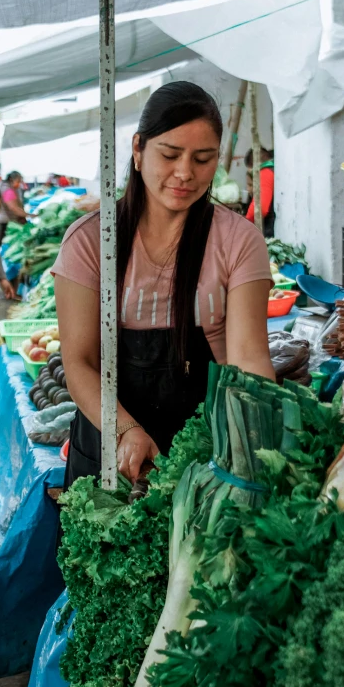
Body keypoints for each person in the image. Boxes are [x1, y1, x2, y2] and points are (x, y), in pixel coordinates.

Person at [53, 82, 275, 488]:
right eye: (170, 155)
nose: (185, 173)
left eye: (203, 159)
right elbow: (79, 362)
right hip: (108, 445)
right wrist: (124, 429)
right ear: (138, 150)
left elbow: (249, 359)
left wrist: (260, 436)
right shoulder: (90, 242)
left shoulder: (238, 241)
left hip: (209, 451)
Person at [244, 146, 275, 238]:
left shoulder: (266, 172)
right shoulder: (276, 168)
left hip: (269, 229)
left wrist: (244, 226)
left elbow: (260, 207)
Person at [0, 171, 27, 246]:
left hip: (5, 220)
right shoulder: (7, 189)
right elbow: (13, 207)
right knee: (1, 243)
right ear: (11, 179)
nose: (19, 183)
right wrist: (27, 215)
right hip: (5, 222)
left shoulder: (6, 187)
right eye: (18, 181)